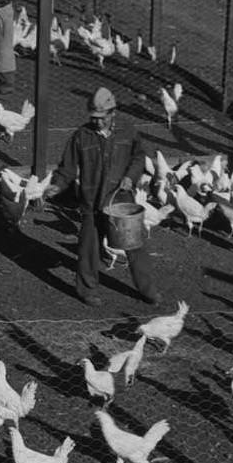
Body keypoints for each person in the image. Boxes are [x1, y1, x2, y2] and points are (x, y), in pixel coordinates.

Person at [44, 87, 159, 308]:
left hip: (120, 201)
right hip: (91, 201)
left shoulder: (128, 131)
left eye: (101, 117)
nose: (97, 122)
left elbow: (139, 156)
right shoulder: (81, 136)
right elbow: (67, 168)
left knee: (134, 246)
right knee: (88, 246)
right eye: (93, 118)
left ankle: (148, 290)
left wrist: (130, 176)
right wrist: (57, 186)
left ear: (112, 112)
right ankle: (87, 290)